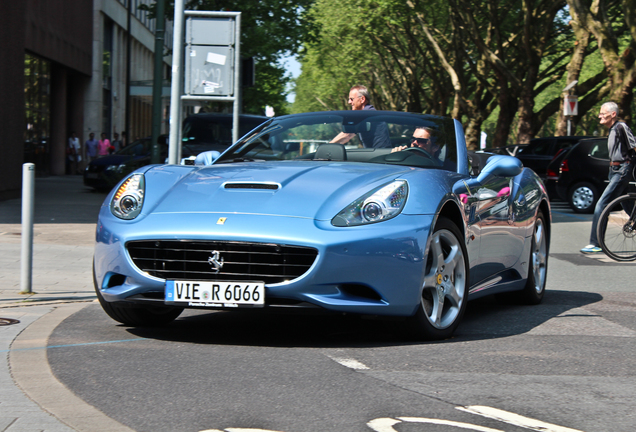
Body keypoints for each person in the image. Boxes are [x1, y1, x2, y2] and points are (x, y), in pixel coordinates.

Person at [581, 101, 636, 254]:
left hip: (622, 170)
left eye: (603, 113)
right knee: (628, 206)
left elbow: (634, 145)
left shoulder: (621, 127)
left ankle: (596, 243)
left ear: (613, 114)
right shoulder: (612, 129)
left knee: (602, 205)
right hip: (614, 170)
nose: (600, 116)